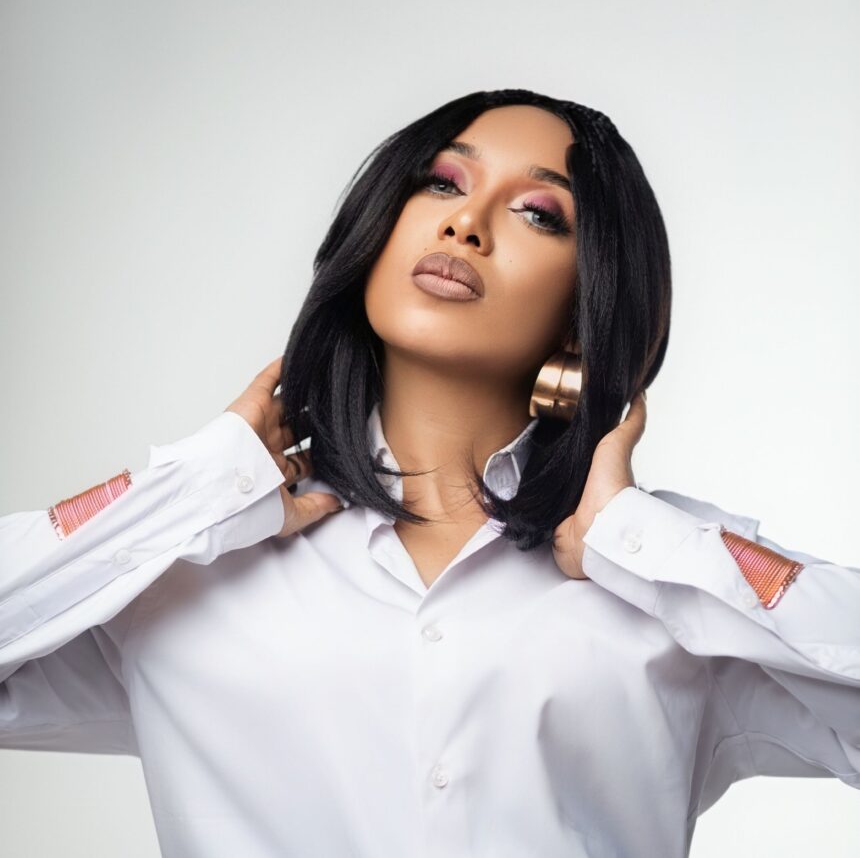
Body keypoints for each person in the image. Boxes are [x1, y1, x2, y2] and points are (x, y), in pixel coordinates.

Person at [1, 89, 857, 858]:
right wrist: (193, 491)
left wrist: (639, 542)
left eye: (538, 213)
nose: (465, 224)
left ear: (584, 306)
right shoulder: (180, 576)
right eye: (443, 183)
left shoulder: (674, 584)